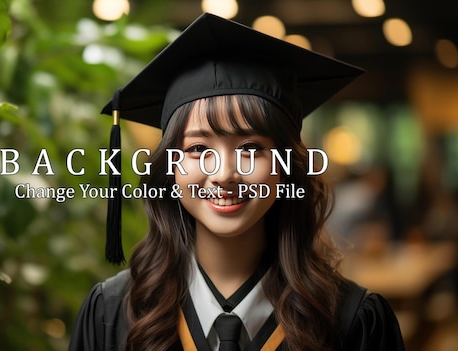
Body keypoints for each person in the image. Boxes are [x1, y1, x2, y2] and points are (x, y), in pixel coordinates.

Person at [69, 13, 405, 351]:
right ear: (170, 167)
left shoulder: (351, 322)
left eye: (250, 149)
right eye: (199, 148)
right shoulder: (111, 315)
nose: (224, 174)